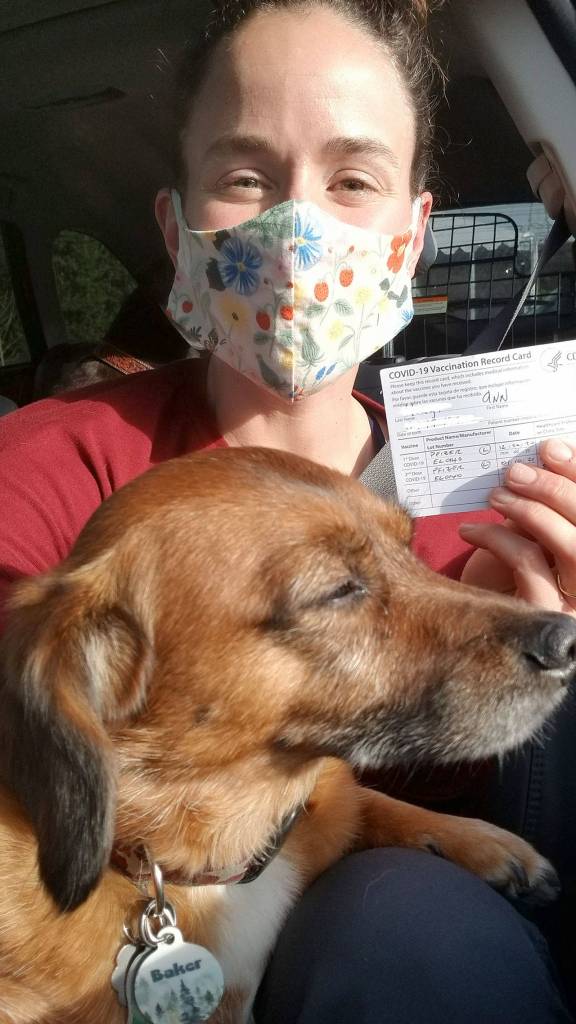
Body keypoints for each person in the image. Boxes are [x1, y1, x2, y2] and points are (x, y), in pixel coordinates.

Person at [0, 1, 575, 1020]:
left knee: (409, 937)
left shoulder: (508, 490)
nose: (299, 228)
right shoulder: (44, 473)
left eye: (353, 180)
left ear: (411, 235)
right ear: (177, 226)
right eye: (246, 177)